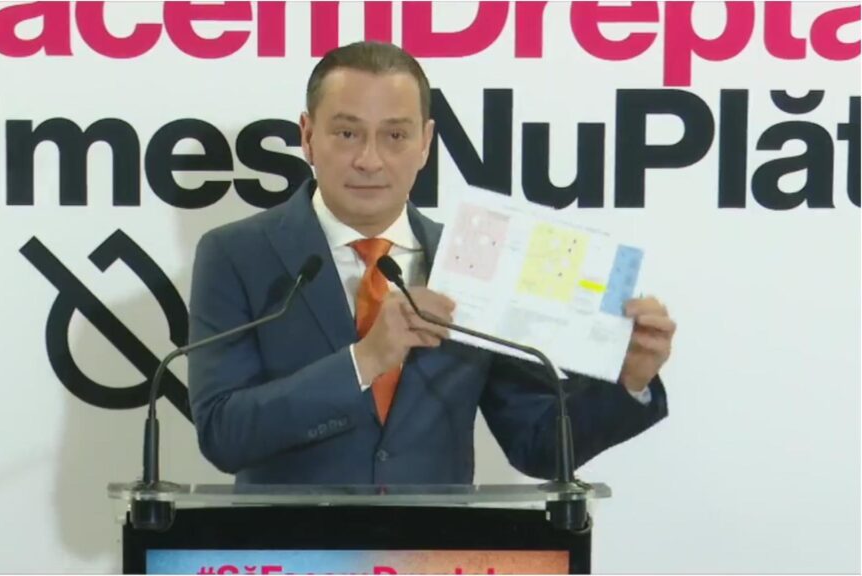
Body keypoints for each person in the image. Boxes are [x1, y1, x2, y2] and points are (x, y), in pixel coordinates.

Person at [187, 41, 675, 485]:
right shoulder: (236, 255)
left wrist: (629, 380)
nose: (370, 160)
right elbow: (222, 434)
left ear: (425, 142)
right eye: (347, 133)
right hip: (293, 547)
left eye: (395, 135)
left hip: (435, 545)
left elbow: (538, 444)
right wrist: (365, 359)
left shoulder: (474, 261)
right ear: (308, 136)